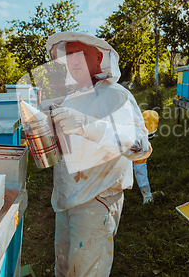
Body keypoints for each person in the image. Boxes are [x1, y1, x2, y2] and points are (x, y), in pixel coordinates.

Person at [45, 32, 152, 277]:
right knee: (63, 269)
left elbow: (140, 146)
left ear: (99, 57)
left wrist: (87, 125)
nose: (74, 60)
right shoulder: (70, 98)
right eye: (69, 55)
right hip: (66, 199)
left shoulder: (117, 96)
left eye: (80, 54)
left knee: (85, 272)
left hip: (97, 199)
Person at [133, 109, 159, 204]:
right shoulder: (139, 143)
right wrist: (146, 193)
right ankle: (147, 195)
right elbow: (140, 169)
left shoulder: (134, 119)